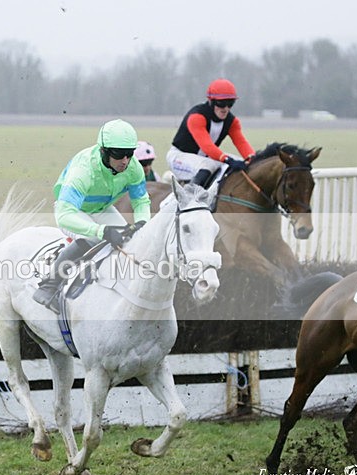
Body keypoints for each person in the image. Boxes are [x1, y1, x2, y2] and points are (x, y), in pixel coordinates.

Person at [32, 119, 151, 312]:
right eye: (119, 155)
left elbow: (141, 201)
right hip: (71, 211)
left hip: (101, 208)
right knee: (94, 238)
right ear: (104, 151)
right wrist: (101, 230)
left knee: (128, 241)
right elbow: (64, 215)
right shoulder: (84, 170)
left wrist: (142, 223)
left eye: (129, 154)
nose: (125, 161)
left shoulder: (133, 167)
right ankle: (49, 286)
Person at [166, 78, 255, 188]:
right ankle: (189, 198)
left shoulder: (232, 122)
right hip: (179, 157)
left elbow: (241, 143)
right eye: (221, 103)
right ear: (211, 101)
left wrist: (253, 160)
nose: (225, 108)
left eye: (230, 103)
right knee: (208, 165)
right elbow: (207, 146)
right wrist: (227, 159)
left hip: (205, 158)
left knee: (243, 163)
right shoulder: (197, 117)